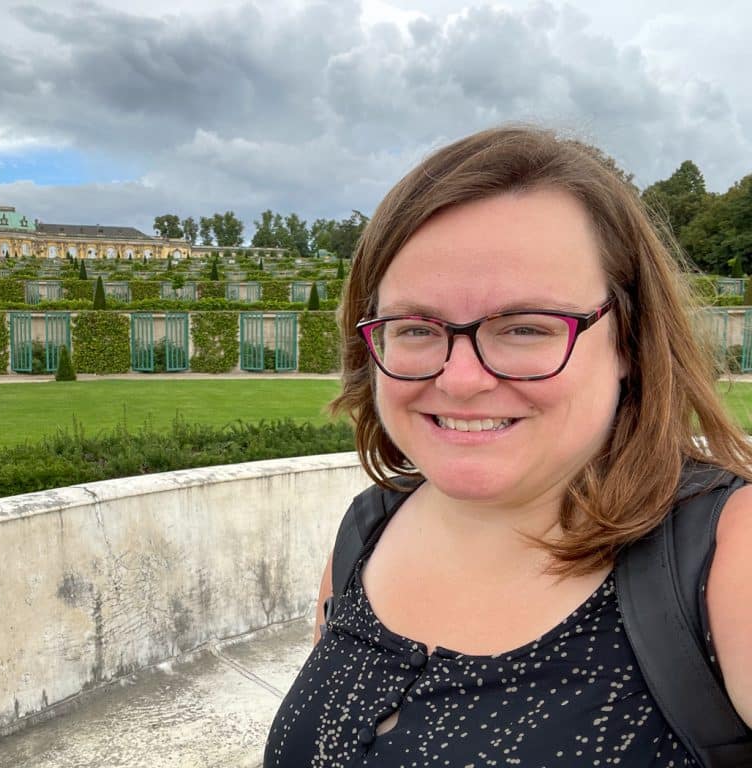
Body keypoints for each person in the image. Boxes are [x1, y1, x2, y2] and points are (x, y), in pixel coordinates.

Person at [264, 126, 752, 766]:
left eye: (525, 328)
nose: (461, 380)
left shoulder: (728, 554)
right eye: (415, 327)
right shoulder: (366, 530)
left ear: (629, 341)